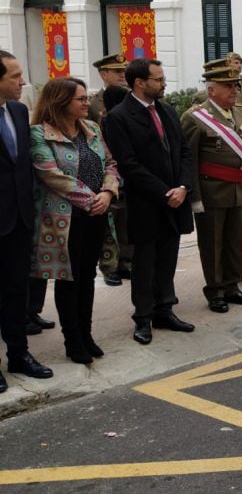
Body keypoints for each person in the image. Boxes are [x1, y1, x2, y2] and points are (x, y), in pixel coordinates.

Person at [104, 58, 196, 345]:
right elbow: (128, 165)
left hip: (175, 199)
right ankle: (143, 317)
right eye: (158, 79)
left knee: (168, 258)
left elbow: (183, 151)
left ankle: (164, 309)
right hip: (147, 203)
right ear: (140, 82)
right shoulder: (119, 117)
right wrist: (164, 192)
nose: (164, 83)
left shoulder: (167, 111)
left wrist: (182, 186)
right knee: (145, 263)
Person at [29, 77, 121, 364]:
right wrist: (91, 200)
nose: (86, 102)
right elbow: (52, 175)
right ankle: (73, 341)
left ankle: (87, 333)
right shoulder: (40, 134)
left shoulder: (92, 128)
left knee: (88, 276)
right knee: (69, 280)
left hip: (96, 215)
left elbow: (110, 164)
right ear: (60, 102)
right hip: (64, 220)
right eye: (80, 99)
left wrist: (107, 192)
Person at [183, 67, 242, 313]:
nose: (234, 90)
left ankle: (232, 286)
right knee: (212, 244)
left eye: (235, 85)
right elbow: (189, 160)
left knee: (233, 241)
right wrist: (194, 197)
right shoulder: (195, 117)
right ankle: (215, 291)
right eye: (228, 86)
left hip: (238, 189)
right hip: (211, 192)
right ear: (211, 89)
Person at [0, 50, 54, 391]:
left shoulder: (18, 111)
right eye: (14, 77)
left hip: (19, 221)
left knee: (16, 291)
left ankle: (19, 354)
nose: (23, 82)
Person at [88, 54, 132, 286]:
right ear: (104, 75)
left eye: (124, 71)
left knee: (126, 218)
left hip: (128, 166)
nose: (122, 76)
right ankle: (110, 266)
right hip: (105, 169)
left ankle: (126, 262)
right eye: (117, 72)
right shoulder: (93, 103)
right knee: (109, 219)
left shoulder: (131, 98)